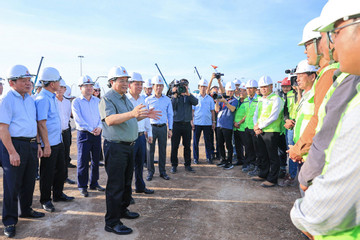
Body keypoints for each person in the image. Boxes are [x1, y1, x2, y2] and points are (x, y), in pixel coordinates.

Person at [291, 1, 360, 238]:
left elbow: (325, 131)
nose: (330, 43)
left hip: (320, 177)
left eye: (333, 33)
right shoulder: (336, 76)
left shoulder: (336, 76)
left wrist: (306, 173)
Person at [99, 66, 160, 235]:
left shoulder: (123, 98)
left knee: (126, 182)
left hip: (128, 146)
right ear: (112, 82)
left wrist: (144, 115)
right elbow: (110, 120)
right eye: (122, 80)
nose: (126, 83)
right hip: (116, 147)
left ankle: (122, 210)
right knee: (115, 185)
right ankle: (111, 222)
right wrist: (133, 114)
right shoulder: (107, 99)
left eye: (127, 81)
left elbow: (131, 116)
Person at [0, 65, 45, 238]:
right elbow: (3, 129)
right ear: (12, 83)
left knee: (28, 181)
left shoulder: (30, 99)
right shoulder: (7, 100)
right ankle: (10, 221)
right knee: (12, 185)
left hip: (31, 144)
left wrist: (38, 144)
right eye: (23, 80)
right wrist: (11, 152)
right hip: (14, 145)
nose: (28, 83)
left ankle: (25, 210)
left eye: (29, 80)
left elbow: (33, 124)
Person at [288, 16, 338, 163]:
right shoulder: (325, 74)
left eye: (307, 46)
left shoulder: (329, 74)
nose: (305, 52)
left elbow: (319, 120)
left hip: (313, 156)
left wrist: (298, 150)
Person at [36, 67, 74, 213]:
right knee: (47, 172)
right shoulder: (43, 99)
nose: (60, 83)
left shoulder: (51, 97)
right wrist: (46, 145)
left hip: (58, 141)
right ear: (52, 84)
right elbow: (41, 123)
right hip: (49, 143)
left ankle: (58, 194)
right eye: (58, 81)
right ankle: (46, 199)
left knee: (60, 169)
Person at [284, 60, 317, 186]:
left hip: (309, 151)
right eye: (296, 76)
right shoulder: (305, 95)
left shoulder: (317, 95)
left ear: (312, 76)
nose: (297, 80)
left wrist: (300, 148)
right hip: (300, 149)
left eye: (300, 76)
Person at [72, 75, 104, 197]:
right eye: (86, 85)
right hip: (84, 134)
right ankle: (82, 185)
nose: (90, 88)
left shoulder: (97, 101)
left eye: (91, 85)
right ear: (80, 88)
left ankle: (94, 183)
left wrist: (99, 127)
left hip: (96, 134)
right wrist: (92, 129)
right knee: (83, 161)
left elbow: (102, 116)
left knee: (96, 160)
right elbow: (78, 120)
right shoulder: (76, 102)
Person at [252, 76, 284, 187]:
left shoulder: (276, 99)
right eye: (262, 87)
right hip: (260, 131)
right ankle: (263, 174)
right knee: (263, 154)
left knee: (273, 156)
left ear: (271, 86)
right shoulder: (261, 100)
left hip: (271, 131)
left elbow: (274, 116)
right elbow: (256, 114)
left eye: (266, 87)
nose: (264, 89)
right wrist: (256, 125)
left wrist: (259, 126)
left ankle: (272, 179)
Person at [126, 72, 154, 193]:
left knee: (140, 164)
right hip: (129, 138)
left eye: (140, 84)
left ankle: (140, 186)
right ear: (129, 85)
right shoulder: (125, 100)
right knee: (128, 167)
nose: (139, 86)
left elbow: (147, 117)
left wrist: (150, 133)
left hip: (141, 136)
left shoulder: (143, 99)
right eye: (136, 84)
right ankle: (127, 192)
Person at [146, 75, 173, 180]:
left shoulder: (167, 100)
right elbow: (145, 116)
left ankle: (162, 172)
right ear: (153, 86)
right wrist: (146, 130)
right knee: (150, 151)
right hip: (151, 128)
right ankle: (150, 172)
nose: (159, 88)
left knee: (163, 150)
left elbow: (170, 115)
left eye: (161, 86)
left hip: (162, 128)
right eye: (157, 86)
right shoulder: (148, 100)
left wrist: (170, 129)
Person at [170, 79, 198, 173]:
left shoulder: (189, 96)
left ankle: (188, 165)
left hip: (187, 125)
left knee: (187, 146)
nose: (184, 87)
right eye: (182, 85)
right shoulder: (175, 96)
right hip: (176, 124)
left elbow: (196, 102)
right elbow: (171, 107)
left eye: (186, 85)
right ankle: (174, 165)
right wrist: (175, 94)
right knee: (175, 146)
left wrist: (188, 94)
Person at [56, 79, 76, 185]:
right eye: (59, 87)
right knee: (55, 158)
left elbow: (69, 116)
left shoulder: (67, 102)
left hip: (65, 132)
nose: (60, 90)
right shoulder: (52, 101)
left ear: (65, 90)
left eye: (62, 88)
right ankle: (54, 180)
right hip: (55, 134)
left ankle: (64, 177)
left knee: (65, 155)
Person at [215, 81, 238, 170]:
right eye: (228, 91)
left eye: (231, 91)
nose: (230, 92)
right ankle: (223, 159)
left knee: (228, 144)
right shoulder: (222, 99)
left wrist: (226, 102)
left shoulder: (235, 100)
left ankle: (229, 161)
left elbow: (232, 109)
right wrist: (217, 101)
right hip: (219, 124)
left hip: (228, 125)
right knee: (220, 143)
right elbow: (217, 109)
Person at [192, 78, 215, 164]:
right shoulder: (195, 98)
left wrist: (213, 122)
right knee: (195, 142)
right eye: (201, 86)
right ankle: (195, 158)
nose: (203, 88)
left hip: (207, 123)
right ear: (199, 87)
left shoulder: (210, 99)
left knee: (208, 141)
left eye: (205, 87)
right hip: (197, 123)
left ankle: (209, 157)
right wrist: (192, 122)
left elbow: (212, 111)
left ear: (206, 88)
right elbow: (192, 111)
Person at [242, 80, 261, 175]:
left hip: (255, 127)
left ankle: (258, 167)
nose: (249, 90)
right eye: (247, 88)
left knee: (257, 148)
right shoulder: (246, 100)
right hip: (247, 127)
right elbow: (246, 113)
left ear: (255, 89)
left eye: (251, 88)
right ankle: (251, 164)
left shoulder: (260, 99)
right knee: (249, 148)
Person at [233, 82, 247, 166]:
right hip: (236, 127)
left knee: (246, 146)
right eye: (240, 91)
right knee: (238, 146)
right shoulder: (237, 101)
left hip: (243, 127)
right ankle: (240, 160)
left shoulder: (248, 101)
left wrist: (239, 122)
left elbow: (247, 114)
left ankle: (247, 162)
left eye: (243, 91)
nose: (241, 92)